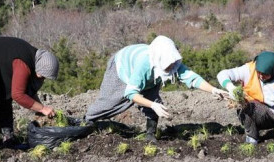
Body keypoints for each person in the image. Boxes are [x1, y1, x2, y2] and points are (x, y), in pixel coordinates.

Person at [84, 35, 228, 142]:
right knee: (109, 102)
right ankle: (87, 122)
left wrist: (213, 90)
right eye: (168, 65)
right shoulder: (145, 65)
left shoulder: (172, 61)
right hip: (122, 67)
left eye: (172, 63)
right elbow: (131, 93)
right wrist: (152, 105)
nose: (171, 67)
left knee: (154, 101)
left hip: (150, 78)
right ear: (159, 60)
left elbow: (192, 78)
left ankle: (150, 134)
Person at [0, 36, 59, 155]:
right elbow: (18, 95)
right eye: (43, 76)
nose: (43, 79)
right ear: (39, 68)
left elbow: (28, 90)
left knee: (4, 100)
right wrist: (43, 109)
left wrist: (39, 109)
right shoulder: (23, 64)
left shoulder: (33, 58)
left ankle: (7, 141)